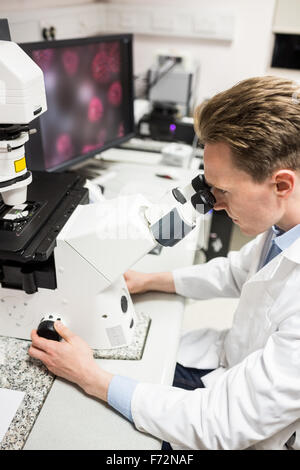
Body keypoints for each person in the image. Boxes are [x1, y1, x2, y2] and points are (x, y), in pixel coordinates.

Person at [29, 76, 300, 450]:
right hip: (229, 366)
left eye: (223, 190)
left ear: (282, 184)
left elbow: (221, 424)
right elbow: (237, 272)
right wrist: (147, 280)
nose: (215, 204)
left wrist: (90, 377)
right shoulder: (285, 225)